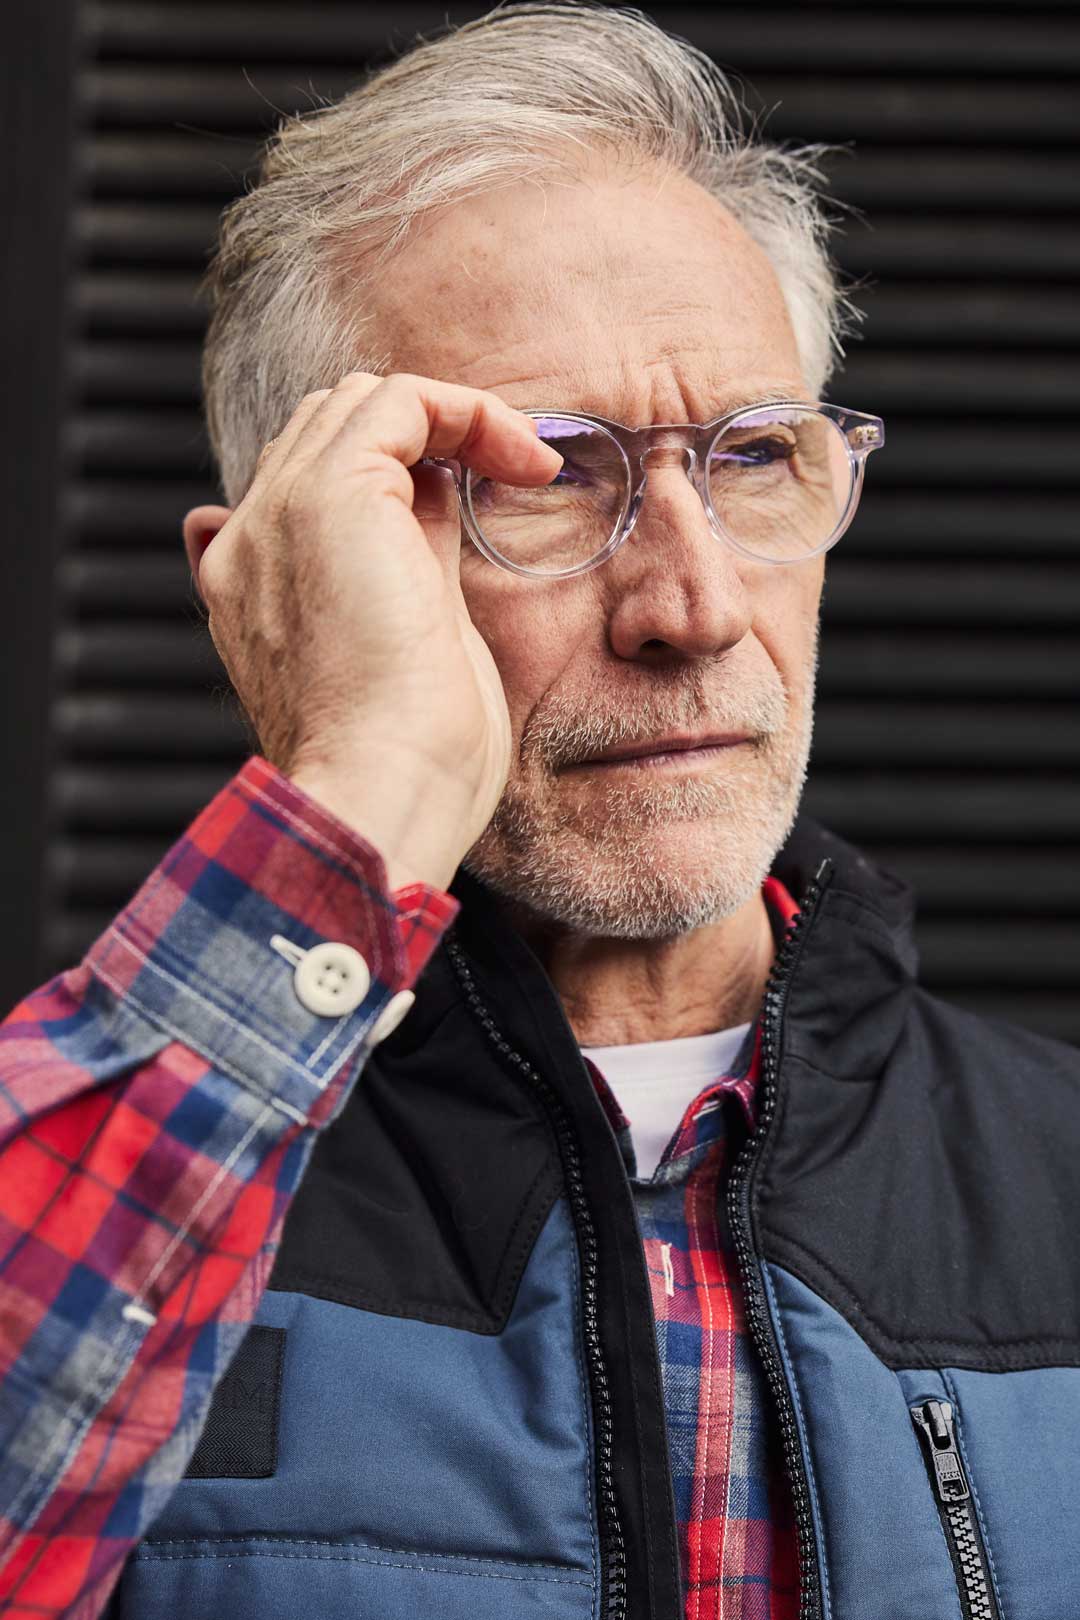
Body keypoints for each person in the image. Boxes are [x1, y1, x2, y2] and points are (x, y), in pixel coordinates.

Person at [1, 4, 1076, 1618]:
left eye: (756, 453)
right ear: (281, 584)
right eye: (545, 477)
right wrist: (359, 786)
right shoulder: (131, 1164)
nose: (695, 605)